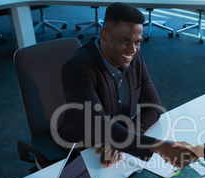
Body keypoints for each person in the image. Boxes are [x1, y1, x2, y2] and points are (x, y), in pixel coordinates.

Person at [59, 3, 196, 168]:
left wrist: (123, 138)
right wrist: (158, 146)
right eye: (125, 41)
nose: (133, 49)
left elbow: (154, 107)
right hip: (80, 152)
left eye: (137, 42)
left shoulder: (135, 59)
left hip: (115, 152)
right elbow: (97, 126)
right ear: (104, 35)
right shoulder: (79, 68)